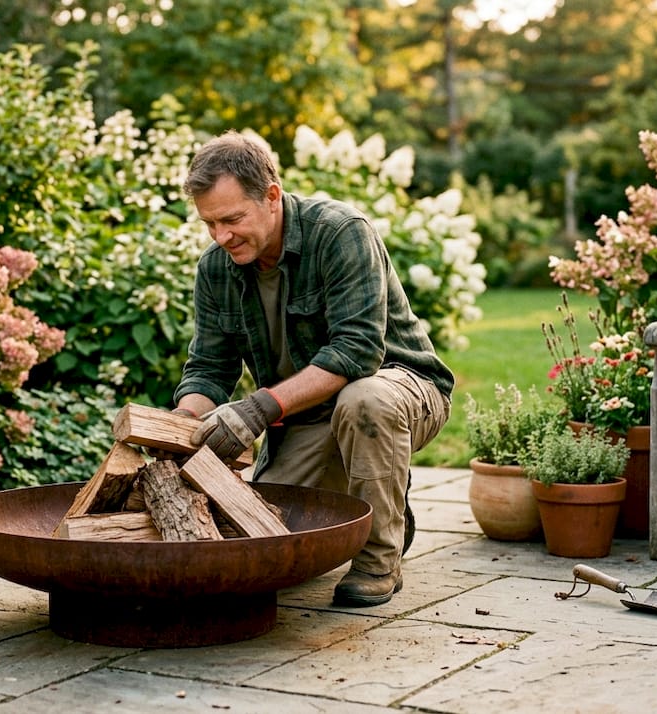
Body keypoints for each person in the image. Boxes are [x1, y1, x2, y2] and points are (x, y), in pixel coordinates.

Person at [170, 130, 454, 607]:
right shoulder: (216, 268)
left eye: (232, 219)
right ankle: (383, 507)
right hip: (306, 414)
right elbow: (208, 367)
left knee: (365, 400)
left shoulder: (341, 233)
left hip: (398, 389)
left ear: (272, 196)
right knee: (272, 546)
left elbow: (358, 350)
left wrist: (258, 409)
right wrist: (184, 421)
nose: (221, 236)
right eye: (210, 224)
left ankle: (378, 559)